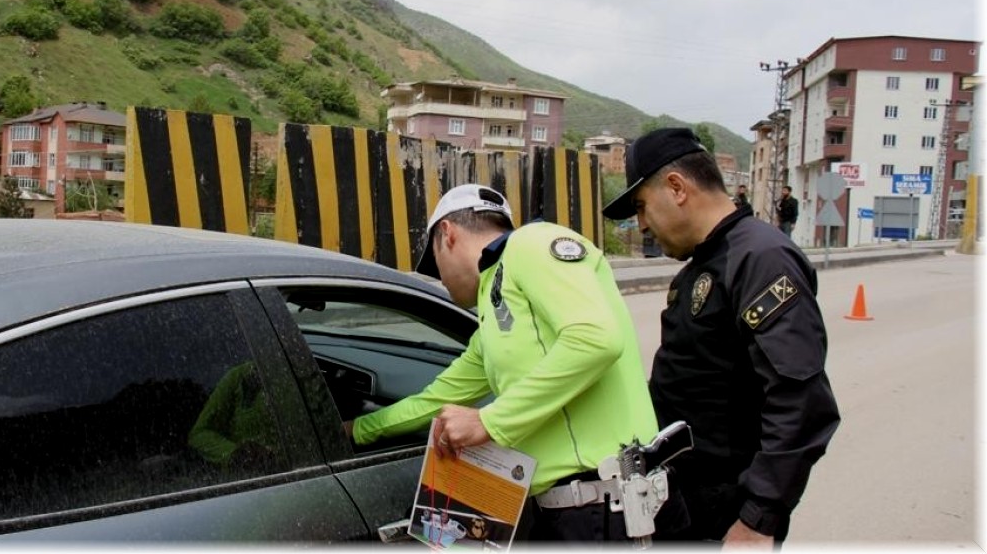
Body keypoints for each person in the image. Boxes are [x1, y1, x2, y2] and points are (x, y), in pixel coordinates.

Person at [349, 183, 664, 542]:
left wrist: (489, 421)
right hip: (567, 511)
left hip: (609, 506)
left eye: (434, 264)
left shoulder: (530, 245)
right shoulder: (492, 306)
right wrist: (359, 429)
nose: (440, 279)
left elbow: (594, 338)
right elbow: (436, 399)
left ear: (447, 234)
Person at [602, 127, 840, 546]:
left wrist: (758, 519)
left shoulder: (761, 258)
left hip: (727, 512)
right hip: (683, 500)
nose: (641, 225)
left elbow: (801, 401)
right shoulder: (704, 264)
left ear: (676, 187)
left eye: (641, 207)